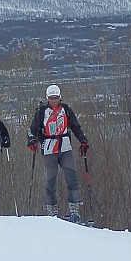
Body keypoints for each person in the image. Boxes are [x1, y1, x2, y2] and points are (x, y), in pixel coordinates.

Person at [27, 84, 90, 222]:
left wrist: (83, 141)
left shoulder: (66, 109)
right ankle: (52, 211)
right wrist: (32, 141)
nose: (54, 100)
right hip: (49, 149)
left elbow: (75, 127)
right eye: (51, 98)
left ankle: (74, 210)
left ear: (60, 97)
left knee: (72, 179)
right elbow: (32, 130)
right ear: (47, 98)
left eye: (56, 98)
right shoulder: (41, 111)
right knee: (51, 181)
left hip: (65, 148)